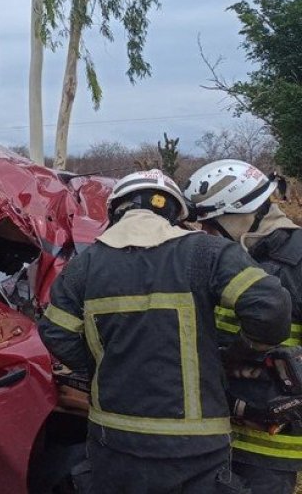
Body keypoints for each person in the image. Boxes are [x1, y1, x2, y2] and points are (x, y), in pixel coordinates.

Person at [38, 169, 290, 494]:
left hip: (114, 438)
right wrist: (239, 353)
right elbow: (270, 307)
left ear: (115, 211)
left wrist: (103, 365)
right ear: (175, 213)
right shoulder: (206, 252)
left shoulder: (85, 266)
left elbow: (55, 333)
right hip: (195, 446)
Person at [185, 160, 302, 494]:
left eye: (211, 224)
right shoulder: (230, 259)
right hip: (218, 433)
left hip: (271, 445)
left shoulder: (297, 262)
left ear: (241, 214)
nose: (205, 233)